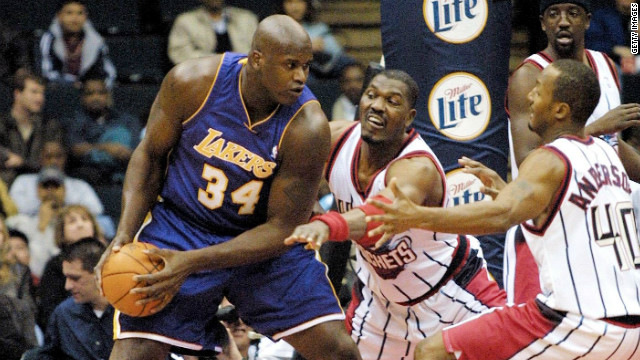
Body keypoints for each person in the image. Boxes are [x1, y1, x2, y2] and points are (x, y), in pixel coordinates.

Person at [94, 15, 361, 360]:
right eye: (290, 65)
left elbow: (283, 228)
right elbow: (149, 157)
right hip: (182, 226)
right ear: (256, 59)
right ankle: (209, 332)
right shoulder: (192, 83)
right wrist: (123, 235)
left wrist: (191, 263)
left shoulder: (307, 127)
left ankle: (213, 331)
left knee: (339, 351)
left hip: (261, 243)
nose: (300, 77)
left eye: (306, 67)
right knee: (135, 352)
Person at [367, 59, 640, 360]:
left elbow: (502, 215)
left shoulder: (549, 158)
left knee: (433, 351)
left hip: (578, 323)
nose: (530, 98)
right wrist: (508, 191)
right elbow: (567, 211)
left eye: (538, 90)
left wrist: (416, 216)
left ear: (560, 110)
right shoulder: (606, 153)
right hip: (630, 327)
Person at [284, 70, 506, 359]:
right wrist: (309, 207)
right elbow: (284, 153)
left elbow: (380, 215)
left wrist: (327, 225)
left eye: (392, 101)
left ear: (409, 117)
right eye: (372, 95)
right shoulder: (335, 138)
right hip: (381, 304)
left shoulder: (417, 168)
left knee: (522, 349)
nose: (377, 105)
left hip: (450, 293)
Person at [505, 0, 640, 304]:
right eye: (554, 14)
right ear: (542, 23)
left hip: (598, 227)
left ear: (587, 20)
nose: (563, 21)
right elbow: (528, 159)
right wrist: (597, 128)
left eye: (572, 13)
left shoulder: (606, 64)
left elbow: (613, 148)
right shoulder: (529, 77)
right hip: (544, 225)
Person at [29, 237, 114, 360]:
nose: (67, 286)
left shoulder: (129, 312)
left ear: (100, 273)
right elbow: (47, 355)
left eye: (75, 278)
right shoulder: (64, 313)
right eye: (66, 278)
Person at [9, 140, 111, 233]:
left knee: (104, 223)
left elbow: (96, 210)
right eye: (48, 156)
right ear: (40, 158)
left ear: (65, 158)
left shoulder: (79, 185)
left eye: (58, 157)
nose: (53, 161)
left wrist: (62, 206)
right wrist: (43, 203)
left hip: (68, 227)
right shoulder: (23, 181)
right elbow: (13, 210)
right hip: (32, 228)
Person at [64, 76, 140, 186]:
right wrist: (107, 148)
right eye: (90, 93)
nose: (96, 98)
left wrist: (124, 153)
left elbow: (136, 150)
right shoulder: (75, 121)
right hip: (91, 173)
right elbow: (76, 149)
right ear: (82, 98)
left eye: (101, 93)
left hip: (124, 170)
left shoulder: (127, 121)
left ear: (108, 95)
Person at [36, 204, 102, 331]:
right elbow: (49, 310)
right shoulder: (54, 266)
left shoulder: (110, 256)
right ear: (61, 230)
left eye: (85, 219)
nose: (80, 225)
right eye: (72, 221)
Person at [0, 72, 61, 185]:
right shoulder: (2, 123)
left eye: (42, 93)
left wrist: (22, 163)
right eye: (34, 92)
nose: (40, 98)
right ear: (18, 94)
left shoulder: (49, 126)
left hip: (41, 183)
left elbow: (52, 160)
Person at [5, 166, 67, 280]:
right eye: (45, 186)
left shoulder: (75, 223)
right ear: (38, 190)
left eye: (55, 186)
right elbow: (35, 269)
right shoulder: (20, 223)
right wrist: (42, 227)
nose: (50, 191)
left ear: (64, 190)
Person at [39, 0, 117, 88]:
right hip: (58, 90)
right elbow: (46, 72)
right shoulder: (49, 39)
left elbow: (109, 73)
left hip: (88, 93)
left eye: (80, 13)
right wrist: (70, 83)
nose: (75, 18)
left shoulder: (96, 41)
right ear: (59, 16)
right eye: (69, 13)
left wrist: (97, 87)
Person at [167, 0, 259, 66]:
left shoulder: (247, 19)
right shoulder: (185, 21)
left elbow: (259, 50)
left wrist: (237, 62)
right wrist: (218, 61)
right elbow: (178, 53)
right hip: (201, 76)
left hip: (244, 74)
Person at [278, 0, 353, 79]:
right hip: (298, 71)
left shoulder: (319, 27)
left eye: (300, 2)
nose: (295, 7)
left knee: (348, 63)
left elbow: (336, 51)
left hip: (323, 66)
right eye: (290, 2)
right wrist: (308, 47)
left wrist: (322, 46)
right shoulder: (276, 28)